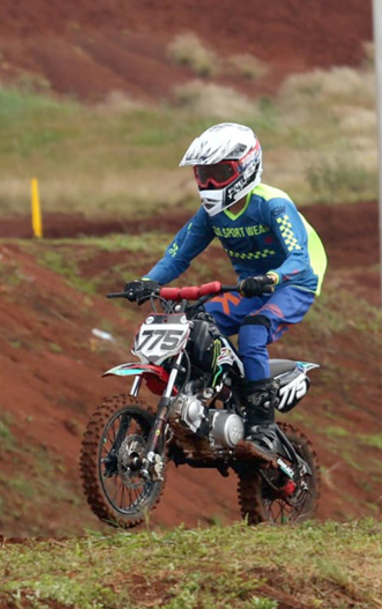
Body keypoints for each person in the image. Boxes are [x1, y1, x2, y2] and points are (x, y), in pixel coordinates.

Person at [124, 122, 327, 461]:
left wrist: (273, 278)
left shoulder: (273, 204)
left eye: (219, 173)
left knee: (252, 332)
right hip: (251, 288)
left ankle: (262, 430)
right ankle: (198, 404)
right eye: (203, 175)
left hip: (294, 283)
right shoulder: (211, 215)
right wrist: (149, 281)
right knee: (192, 322)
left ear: (246, 168)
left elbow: (300, 260)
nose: (210, 184)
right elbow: (178, 254)